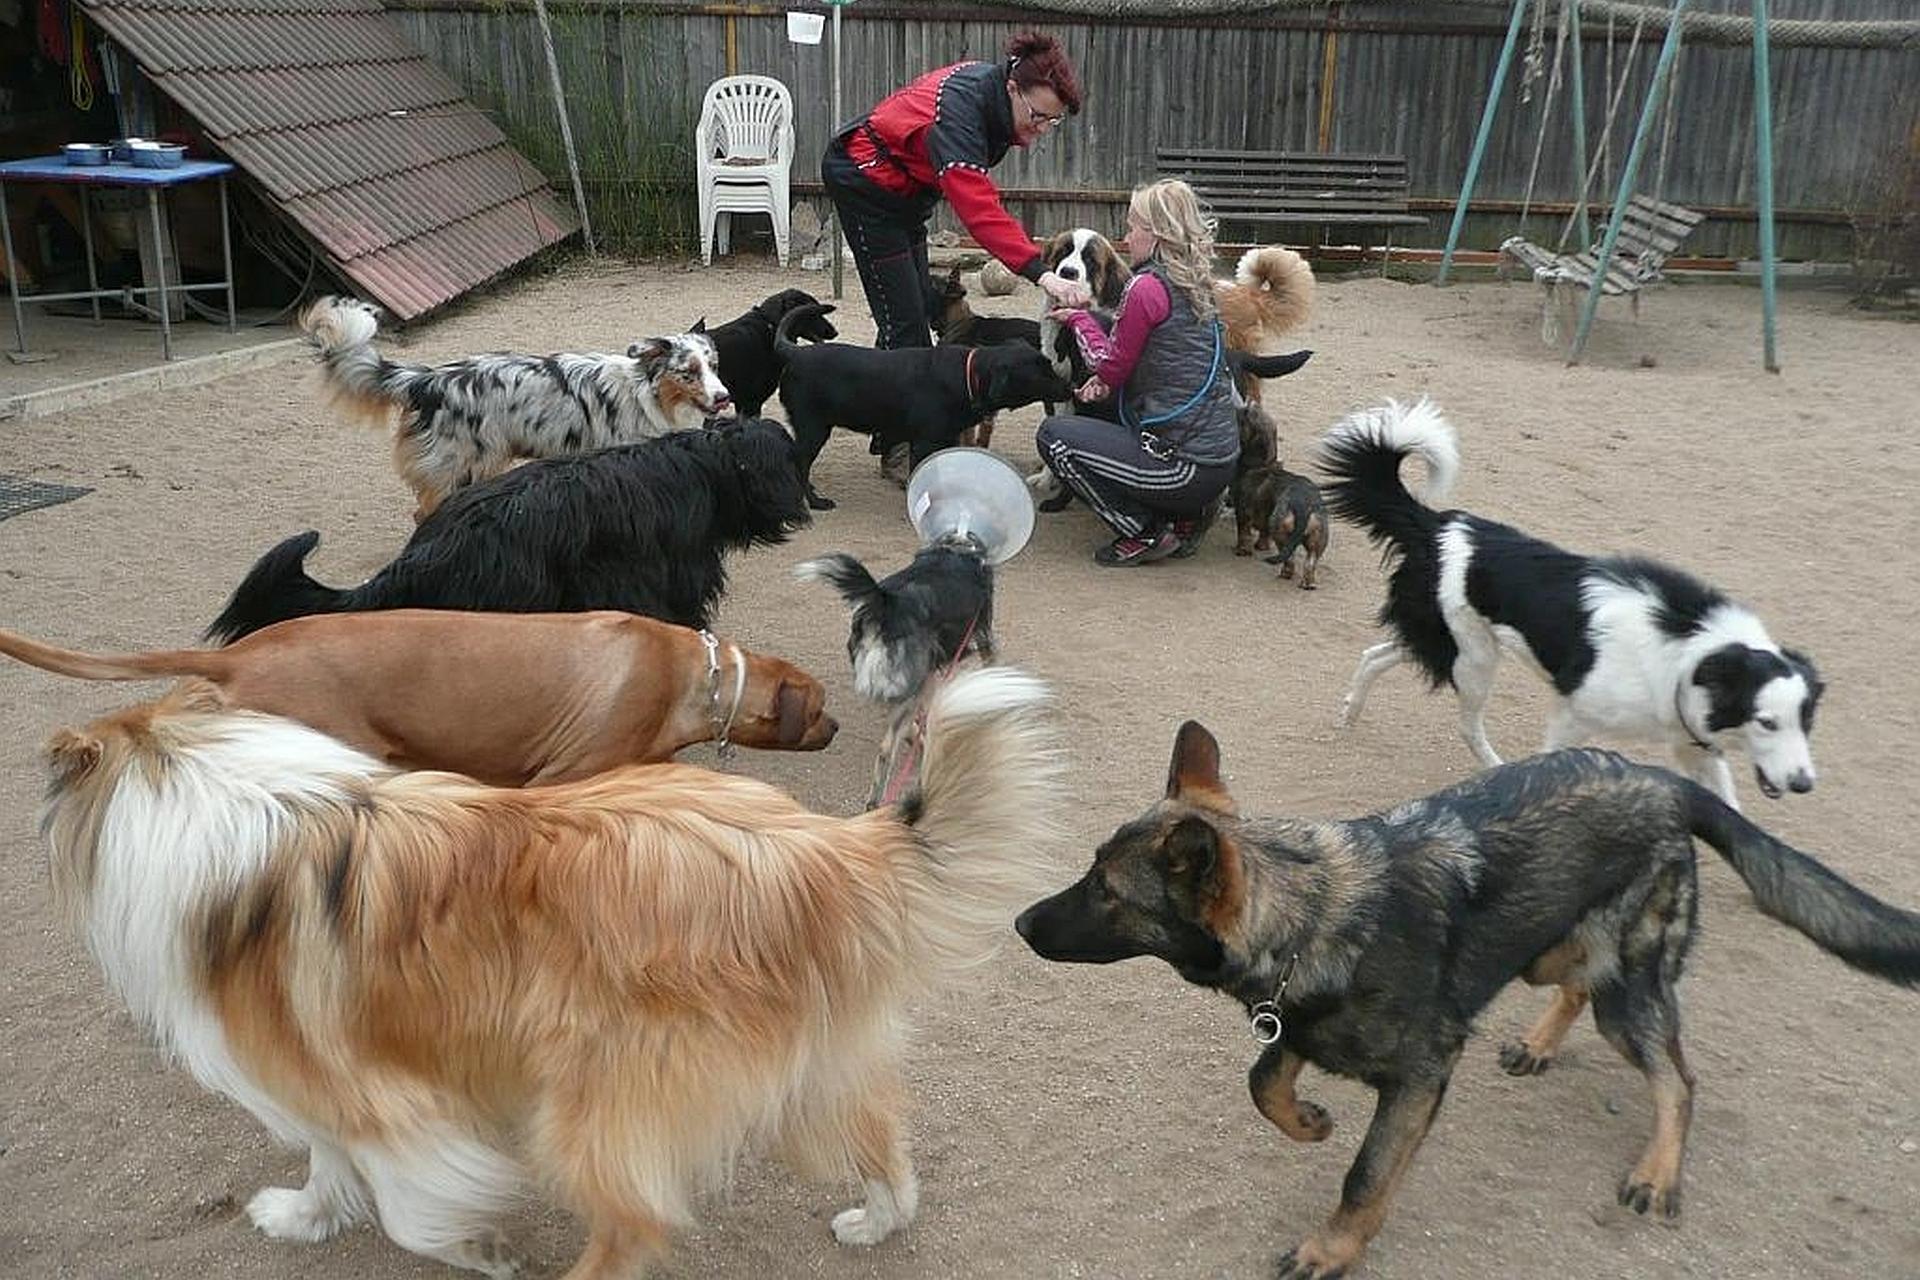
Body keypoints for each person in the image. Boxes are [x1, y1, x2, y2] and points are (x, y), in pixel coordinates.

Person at [821, 30, 1094, 480]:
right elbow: (979, 210)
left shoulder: (994, 97)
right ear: (1013, 87)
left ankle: (889, 424)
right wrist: (1042, 273)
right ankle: (902, 447)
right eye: (1039, 116)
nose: (1043, 129)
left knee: (916, 308)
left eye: (1054, 121)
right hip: (865, 183)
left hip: (906, 194)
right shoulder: (962, 114)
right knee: (906, 325)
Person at [1035, 179, 1238, 566]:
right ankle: (1188, 513)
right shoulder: (1197, 282)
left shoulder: (1144, 288)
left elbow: (1106, 366)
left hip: (1180, 466)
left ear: (1156, 233)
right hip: (1219, 462)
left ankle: (1145, 532)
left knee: (1054, 437)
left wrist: (1078, 319)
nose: (1126, 238)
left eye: (1132, 227)